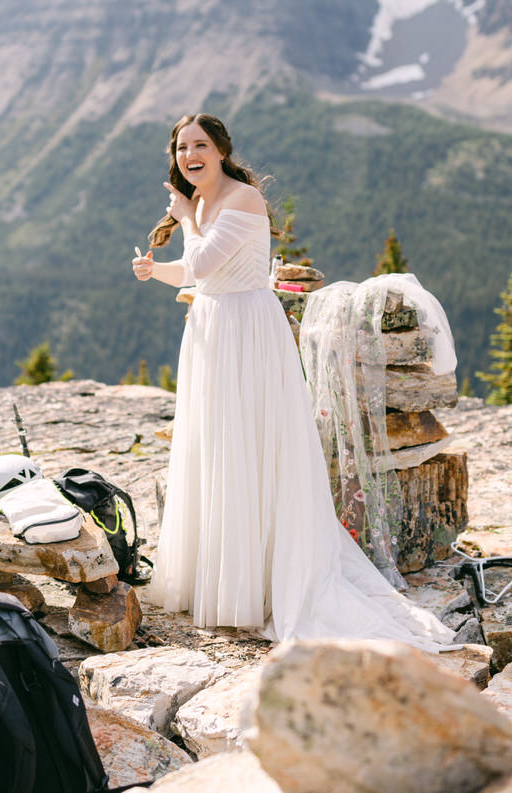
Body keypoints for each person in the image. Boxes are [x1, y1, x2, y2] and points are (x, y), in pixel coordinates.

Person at [131, 113, 453, 647]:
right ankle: (219, 575)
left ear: (221, 150)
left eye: (200, 145)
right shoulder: (206, 203)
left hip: (246, 333)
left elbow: (206, 261)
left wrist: (186, 217)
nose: (190, 154)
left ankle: (253, 581)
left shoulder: (242, 200)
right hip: (212, 330)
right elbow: (193, 272)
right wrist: (154, 270)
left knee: (247, 445)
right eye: (182, 146)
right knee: (216, 446)